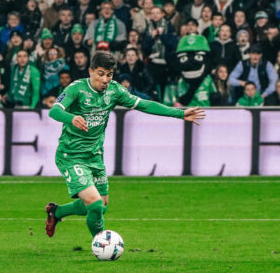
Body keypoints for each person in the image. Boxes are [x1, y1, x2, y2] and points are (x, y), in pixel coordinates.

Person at [43, 51, 205, 239]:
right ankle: (101, 244)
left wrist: (179, 113)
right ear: (90, 71)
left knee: (101, 206)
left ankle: (57, 212)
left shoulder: (114, 91)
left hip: (95, 156)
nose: (105, 79)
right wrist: (71, 118)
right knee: (95, 204)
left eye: (109, 75)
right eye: (101, 74)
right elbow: (54, 111)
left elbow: (144, 104)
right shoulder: (76, 89)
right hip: (71, 156)